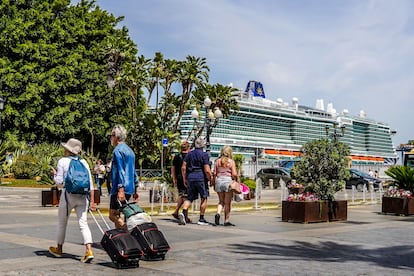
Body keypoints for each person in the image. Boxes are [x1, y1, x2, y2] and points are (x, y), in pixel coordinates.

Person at [48, 138, 96, 263]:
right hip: (83, 196)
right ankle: (89, 250)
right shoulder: (84, 162)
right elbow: (90, 183)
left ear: (68, 150)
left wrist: (54, 174)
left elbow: (59, 182)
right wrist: (92, 201)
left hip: (68, 196)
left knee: (62, 223)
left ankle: (59, 248)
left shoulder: (62, 161)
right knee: (83, 223)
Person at [108, 124, 139, 230]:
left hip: (119, 187)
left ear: (116, 136)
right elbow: (133, 171)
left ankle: (128, 230)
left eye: (111, 136)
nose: (111, 138)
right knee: (118, 213)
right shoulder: (130, 151)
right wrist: (135, 188)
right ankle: (121, 239)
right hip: (129, 188)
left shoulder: (117, 151)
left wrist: (120, 189)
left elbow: (120, 170)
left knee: (113, 215)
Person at [179, 137, 212, 226]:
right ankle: (201, 218)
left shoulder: (189, 154)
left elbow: (183, 167)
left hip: (190, 177)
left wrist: (184, 178)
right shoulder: (204, 155)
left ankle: (184, 211)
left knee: (190, 197)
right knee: (204, 197)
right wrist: (210, 178)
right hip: (201, 178)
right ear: (203, 145)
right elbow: (207, 170)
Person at [212, 145, 238, 226]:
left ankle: (218, 213)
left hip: (218, 181)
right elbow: (234, 174)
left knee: (221, 201)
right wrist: (237, 179)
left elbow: (215, 173)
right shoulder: (231, 162)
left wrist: (213, 182)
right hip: (228, 182)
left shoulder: (217, 161)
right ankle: (226, 220)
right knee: (227, 203)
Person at [171, 141, 190, 220]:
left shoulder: (176, 156)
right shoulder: (189, 156)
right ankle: (185, 216)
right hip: (186, 178)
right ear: (188, 148)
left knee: (182, 195)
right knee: (186, 197)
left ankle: (176, 212)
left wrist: (174, 178)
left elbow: (173, 168)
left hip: (178, 178)